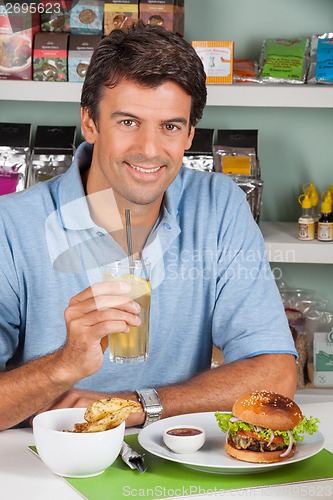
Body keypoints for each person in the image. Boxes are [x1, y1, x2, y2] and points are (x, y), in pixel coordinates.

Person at [0, 22, 297, 431]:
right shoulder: (11, 226)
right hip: (43, 464)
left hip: (173, 455)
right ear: (90, 122)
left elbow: (275, 373)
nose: (150, 149)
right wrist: (63, 366)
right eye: (127, 122)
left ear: (190, 133)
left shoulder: (220, 205)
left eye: (170, 127)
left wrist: (134, 406)